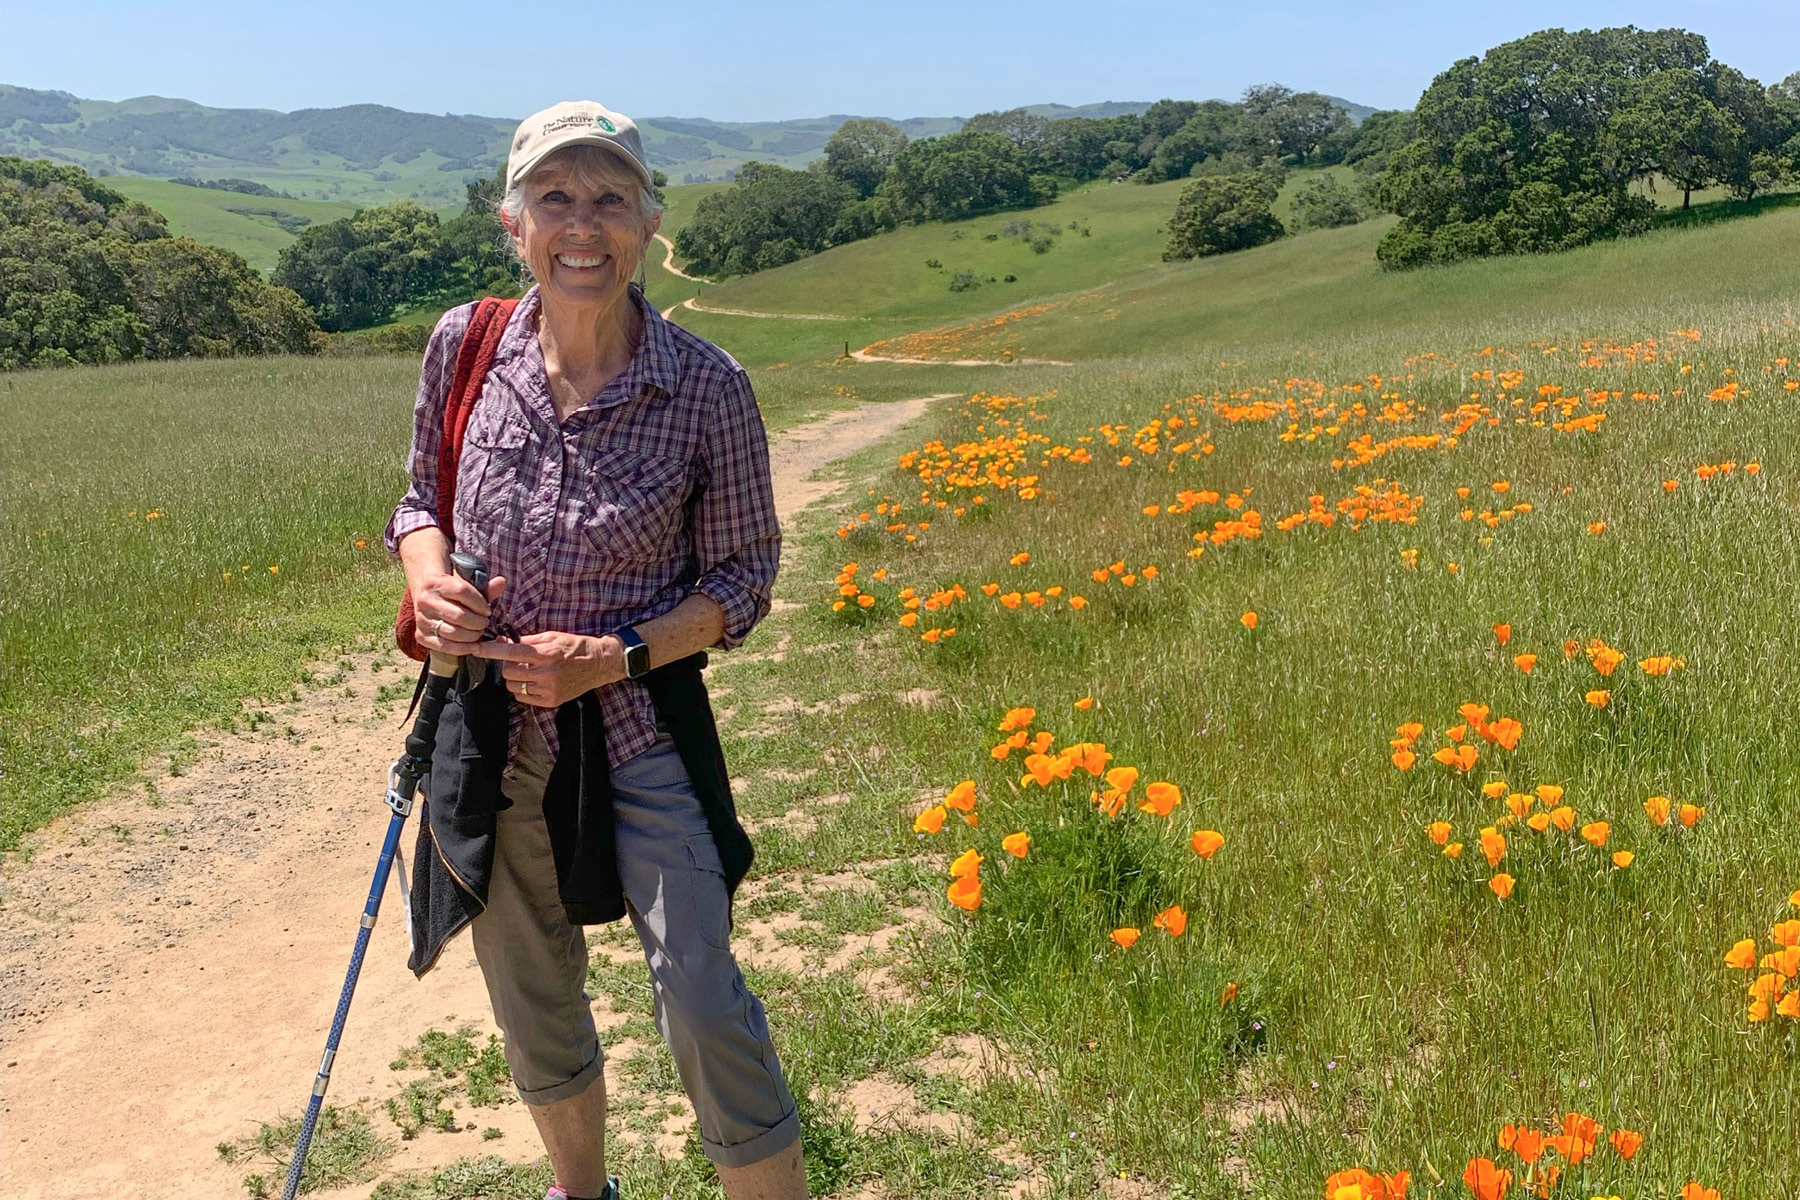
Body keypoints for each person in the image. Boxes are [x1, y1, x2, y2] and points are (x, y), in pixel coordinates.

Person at [384, 100, 806, 1200]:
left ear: (649, 224)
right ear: (514, 223)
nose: (583, 223)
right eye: (555, 197)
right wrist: (429, 581)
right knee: (533, 1001)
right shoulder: (466, 346)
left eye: (611, 198)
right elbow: (419, 503)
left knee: (702, 1000)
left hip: (636, 724)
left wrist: (613, 654)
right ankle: (583, 1192)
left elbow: (742, 582)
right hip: (490, 729)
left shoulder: (706, 386)